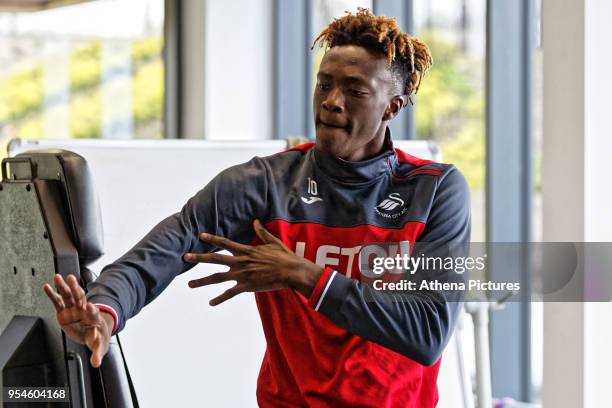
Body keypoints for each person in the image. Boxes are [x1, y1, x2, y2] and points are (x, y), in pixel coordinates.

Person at [43, 8, 470, 407]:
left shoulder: (434, 190)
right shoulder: (265, 183)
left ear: (392, 107)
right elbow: (165, 250)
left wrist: (303, 274)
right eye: (324, 83)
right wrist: (103, 309)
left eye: (355, 90)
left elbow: (426, 330)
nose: (331, 101)